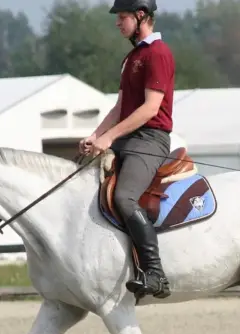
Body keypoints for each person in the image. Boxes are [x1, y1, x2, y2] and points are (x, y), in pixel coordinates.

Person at [79, 0, 175, 299]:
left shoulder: (158, 54)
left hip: (150, 140)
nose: (118, 23)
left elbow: (149, 109)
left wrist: (110, 138)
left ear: (141, 16)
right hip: (126, 137)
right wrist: (96, 136)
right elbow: (120, 107)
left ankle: (155, 273)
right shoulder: (132, 57)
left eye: (122, 17)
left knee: (124, 196)